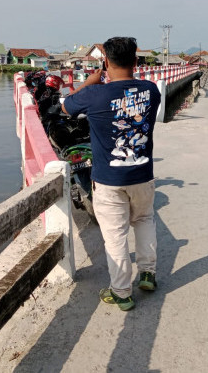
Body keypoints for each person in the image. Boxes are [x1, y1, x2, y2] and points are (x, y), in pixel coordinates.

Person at [62, 37, 161, 311]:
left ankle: (121, 292)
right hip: (142, 174)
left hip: (108, 179)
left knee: (115, 235)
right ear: (136, 62)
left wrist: (91, 81)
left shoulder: (95, 94)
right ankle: (148, 274)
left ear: (105, 62)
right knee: (144, 220)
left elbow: (66, 106)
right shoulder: (152, 90)